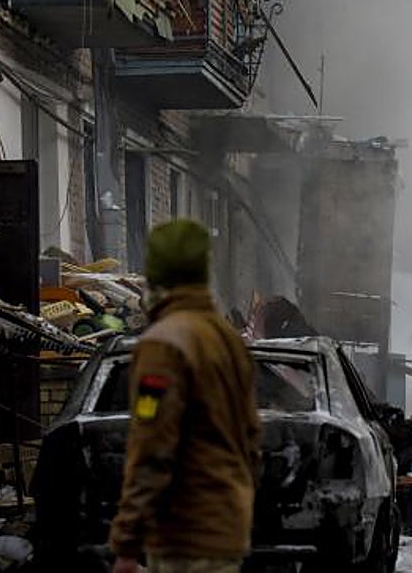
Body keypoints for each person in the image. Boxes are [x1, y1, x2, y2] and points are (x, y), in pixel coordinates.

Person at [109, 220, 261, 573]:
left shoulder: (163, 344)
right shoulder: (227, 339)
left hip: (184, 531)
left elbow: (152, 443)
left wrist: (128, 541)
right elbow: (251, 437)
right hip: (227, 526)